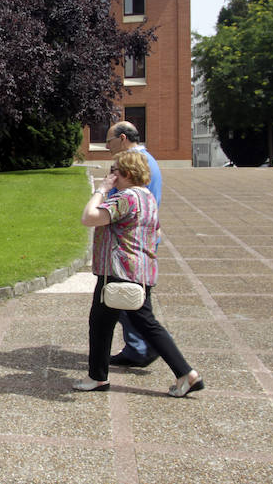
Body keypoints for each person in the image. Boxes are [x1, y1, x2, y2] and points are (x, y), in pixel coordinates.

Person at [73, 150, 202, 397]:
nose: (111, 176)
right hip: (142, 272)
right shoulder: (147, 197)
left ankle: (185, 372)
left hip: (118, 273)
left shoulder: (126, 198)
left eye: (114, 171)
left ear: (127, 174)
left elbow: (88, 217)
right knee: (127, 323)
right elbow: (158, 234)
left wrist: (101, 189)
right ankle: (99, 376)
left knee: (108, 324)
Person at [105, 121, 161, 367]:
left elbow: (129, 203)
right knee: (134, 302)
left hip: (131, 243)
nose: (108, 147)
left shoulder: (135, 165)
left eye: (110, 142)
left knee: (128, 301)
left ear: (123, 138)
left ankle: (143, 348)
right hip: (142, 239)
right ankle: (142, 346)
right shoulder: (148, 160)